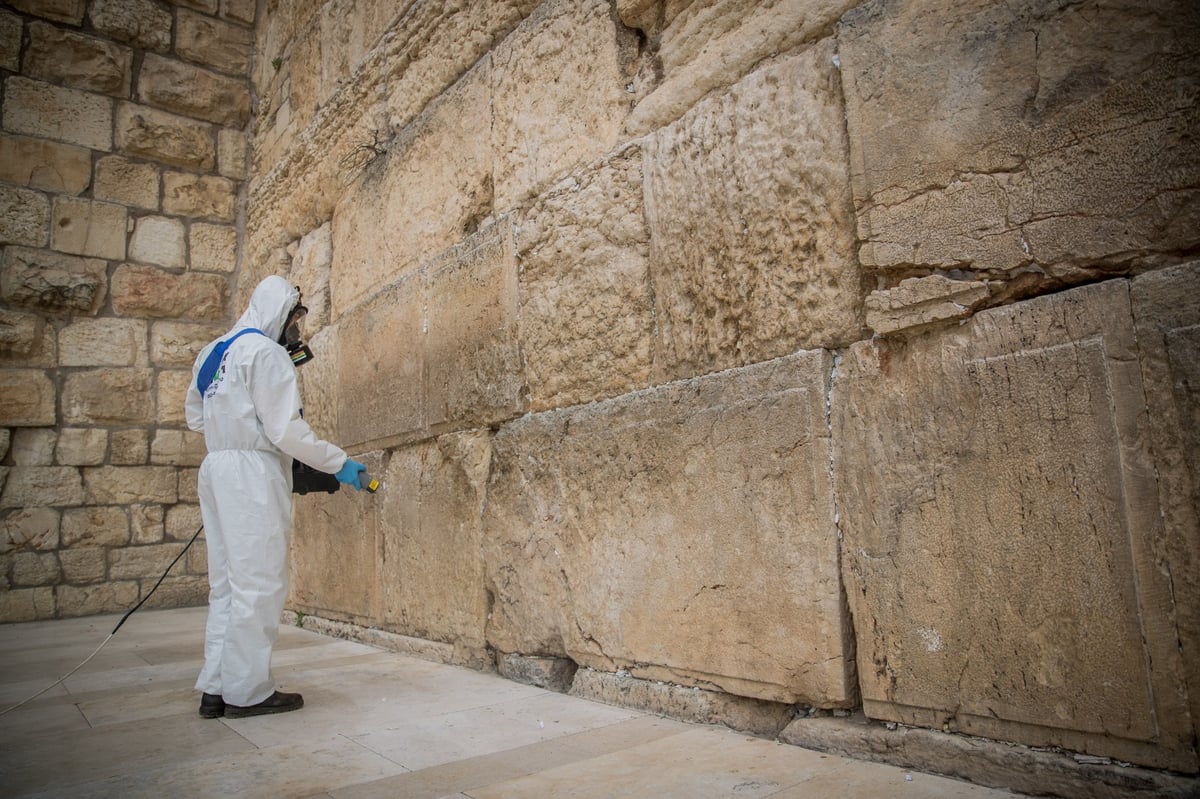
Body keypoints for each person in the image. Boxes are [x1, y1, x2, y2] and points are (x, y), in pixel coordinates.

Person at [184, 275, 366, 719]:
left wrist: (235, 424)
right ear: (277, 311)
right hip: (251, 473)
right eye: (293, 317)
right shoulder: (266, 353)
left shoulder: (213, 352)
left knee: (227, 584)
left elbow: (195, 418)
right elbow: (286, 429)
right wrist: (337, 461)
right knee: (260, 582)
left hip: (218, 466)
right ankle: (247, 692)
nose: (295, 329)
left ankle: (216, 686)